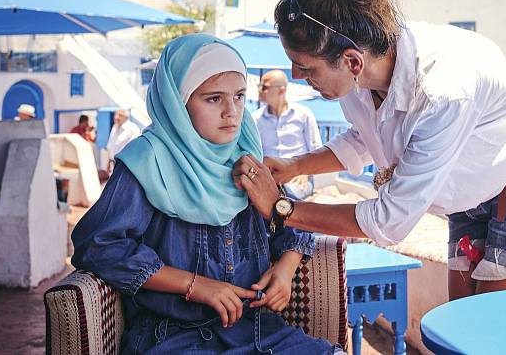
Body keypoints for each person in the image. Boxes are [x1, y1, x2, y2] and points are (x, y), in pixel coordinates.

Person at [233, 0, 506, 301]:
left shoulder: (442, 91)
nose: (294, 75)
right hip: (472, 185)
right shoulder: (363, 67)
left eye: (306, 68)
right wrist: (294, 166)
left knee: (491, 329)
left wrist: (281, 208)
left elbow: (389, 221)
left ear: (352, 62)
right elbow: (366, 137)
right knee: (461, 323)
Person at [71, 34, 338, 354]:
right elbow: (98, 245)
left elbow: (290, 214)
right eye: (214, 99)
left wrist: (286, 268)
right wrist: (194, 285)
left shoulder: (246, 155)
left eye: (239, 96)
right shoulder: (147, 162)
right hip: (173, 337)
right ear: (177, 102)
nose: (232, 112)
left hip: (258, 332)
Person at [252, 70, 322, 199]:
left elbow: (316, 149)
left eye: (265, 87)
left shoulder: (303, 114)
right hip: (269, 178)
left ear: (281, 90)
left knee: (287, 195)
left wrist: (304, 171)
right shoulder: (255, 119)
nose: (260, 90)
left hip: (298, 177)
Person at [105, 109, 140, 173]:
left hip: (125, 166)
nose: (116, 117)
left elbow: (134, 149)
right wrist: (108, 163)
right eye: (116, 114)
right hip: (114, 164)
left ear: (126, 117)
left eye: (120, 115)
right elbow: (111, 146)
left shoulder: (133, 128)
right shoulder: (115, 127)